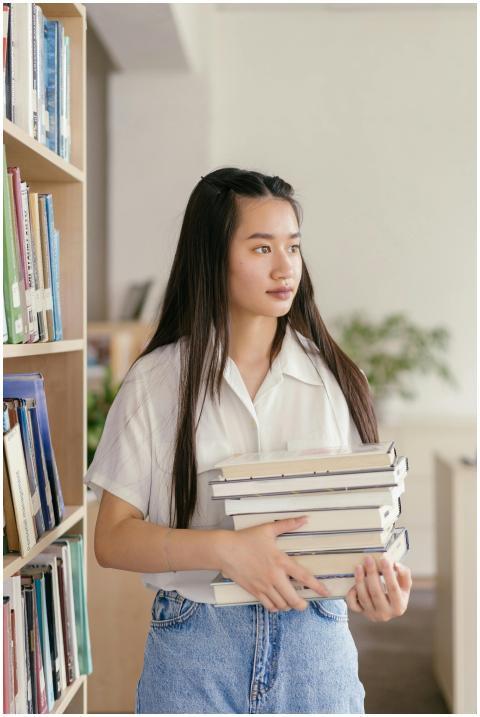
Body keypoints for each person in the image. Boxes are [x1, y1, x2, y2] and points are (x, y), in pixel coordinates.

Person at [85, 167, 412, 714]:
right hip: (195, 649)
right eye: (262, 248)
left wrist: (383, 593)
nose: (285, 268)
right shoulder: (158, 381)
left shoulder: (337, 381)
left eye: (293, 247)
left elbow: (366, 541)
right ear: (214, 258)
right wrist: (225, 550)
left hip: (316, 648)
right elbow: (112, 540)